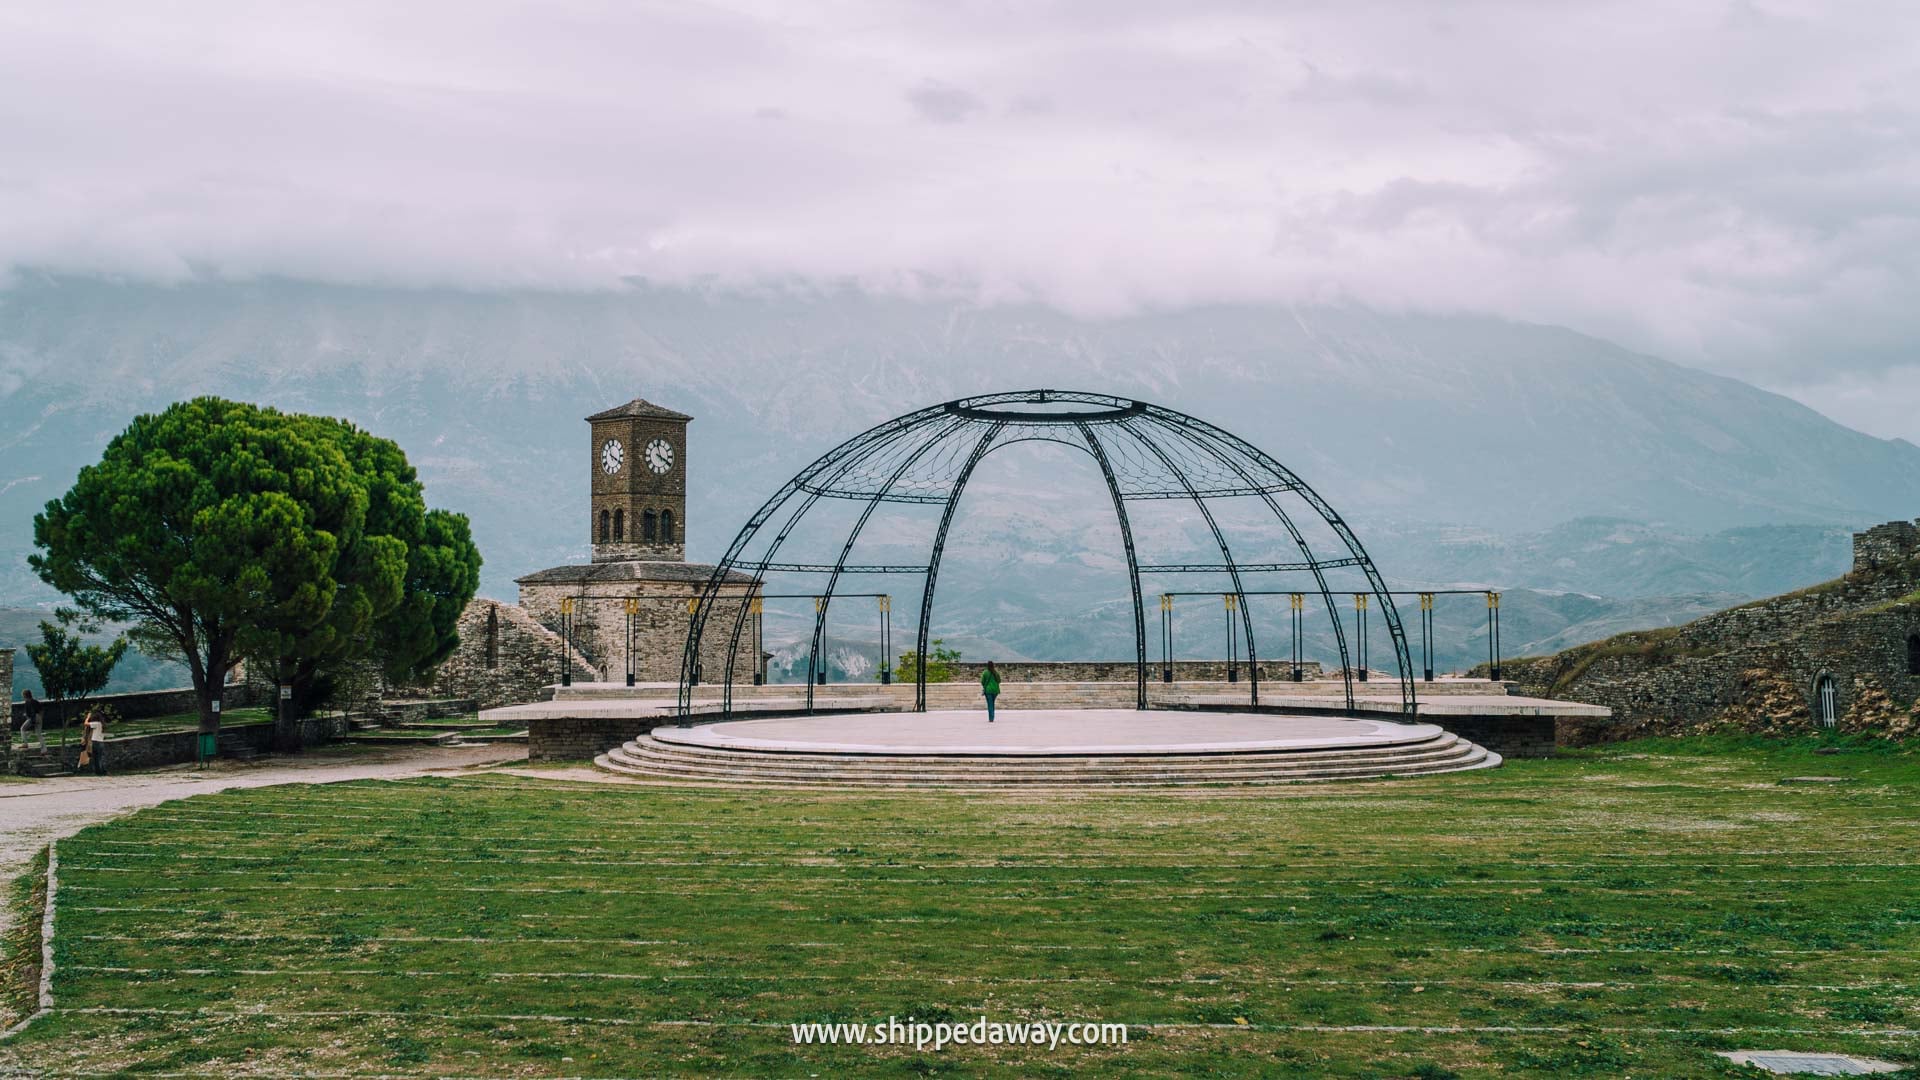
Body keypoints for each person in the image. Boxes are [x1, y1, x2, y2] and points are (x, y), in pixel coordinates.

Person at [77, 708, 106, 776]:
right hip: (101, 742)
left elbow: (86, 723)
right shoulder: (102, 724)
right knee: (100, 757)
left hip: (95, 742)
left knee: (96, 758)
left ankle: (98, 772)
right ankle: (101, 770)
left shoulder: (96, 724)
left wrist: (88, 717)